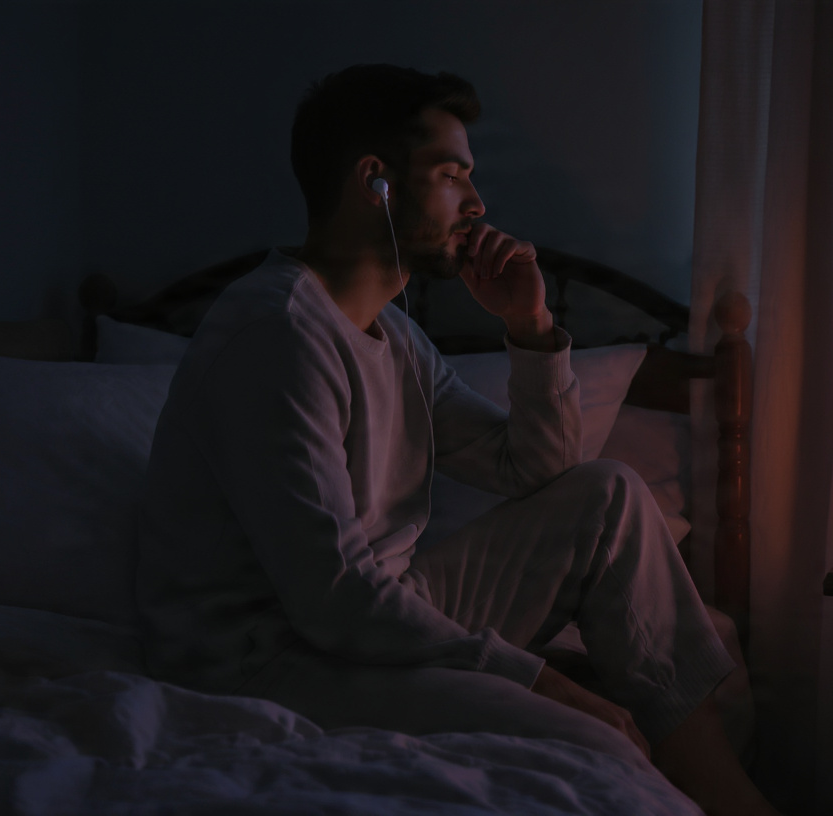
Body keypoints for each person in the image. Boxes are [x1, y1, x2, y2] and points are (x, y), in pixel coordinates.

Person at [135, 64, 779, 816]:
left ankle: (729, 796)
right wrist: (537, 679)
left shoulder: (397, 338)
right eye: (451, 175)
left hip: (373, 611)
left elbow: (538, 469)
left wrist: (530, 328)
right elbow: (333, 597)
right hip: (275, 657)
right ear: (374, 181)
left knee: (608, 495)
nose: (476, 204)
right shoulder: (276, 334)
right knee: (595, 742)